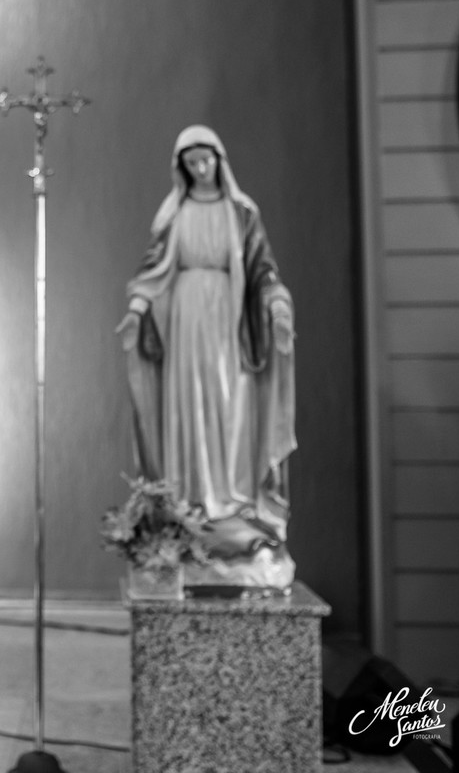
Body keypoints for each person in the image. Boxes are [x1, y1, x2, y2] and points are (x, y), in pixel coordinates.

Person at [117, 125, 296, 590]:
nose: (200, 168)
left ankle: (233, 506)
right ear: (182, 166)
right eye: (191, 161)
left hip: (231, 321)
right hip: (185, 322)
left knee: (232, 408)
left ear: (219, 160)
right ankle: (191, 504)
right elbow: (153, 271)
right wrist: (137, 311)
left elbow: (263, 268)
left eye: (207, 159)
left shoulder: (241, 213)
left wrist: (277, 305)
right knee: (189, 409)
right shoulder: (174, 214)